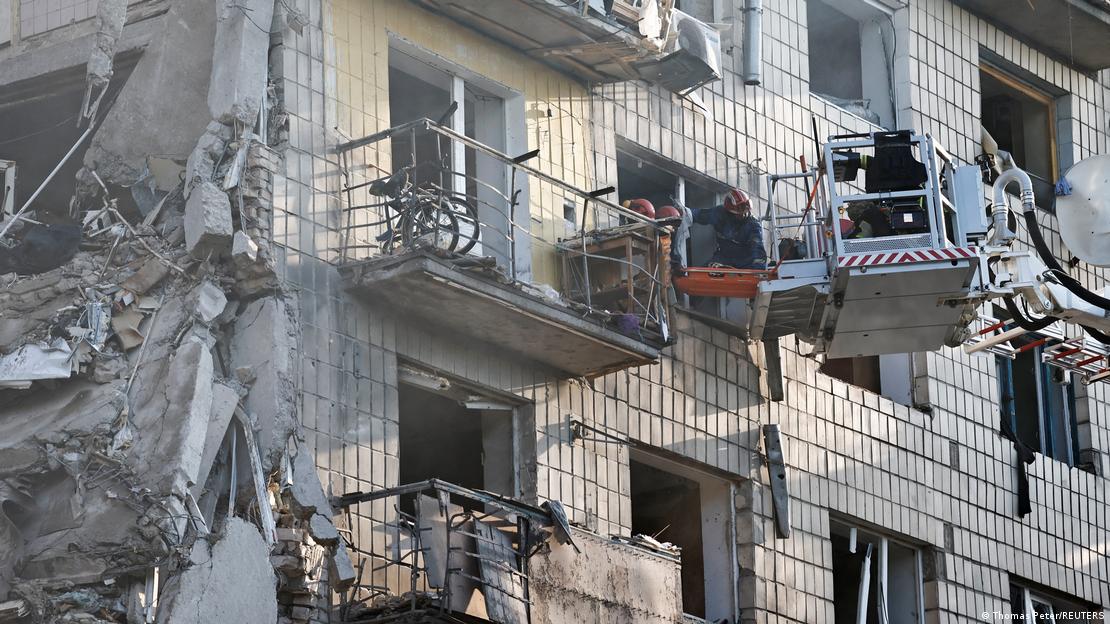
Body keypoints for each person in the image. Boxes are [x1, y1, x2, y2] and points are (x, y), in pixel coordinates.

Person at [684, 188, 767, 269]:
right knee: (703, 275)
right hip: (724, 258)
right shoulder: (720, 213)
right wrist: (683, 213)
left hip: (745, 262)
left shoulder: (753, 225)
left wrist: (758, 270)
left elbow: (757, 248)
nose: (743, 215)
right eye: (739, 213)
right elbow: (699, 215)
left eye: (745, 211)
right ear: (729, 211)